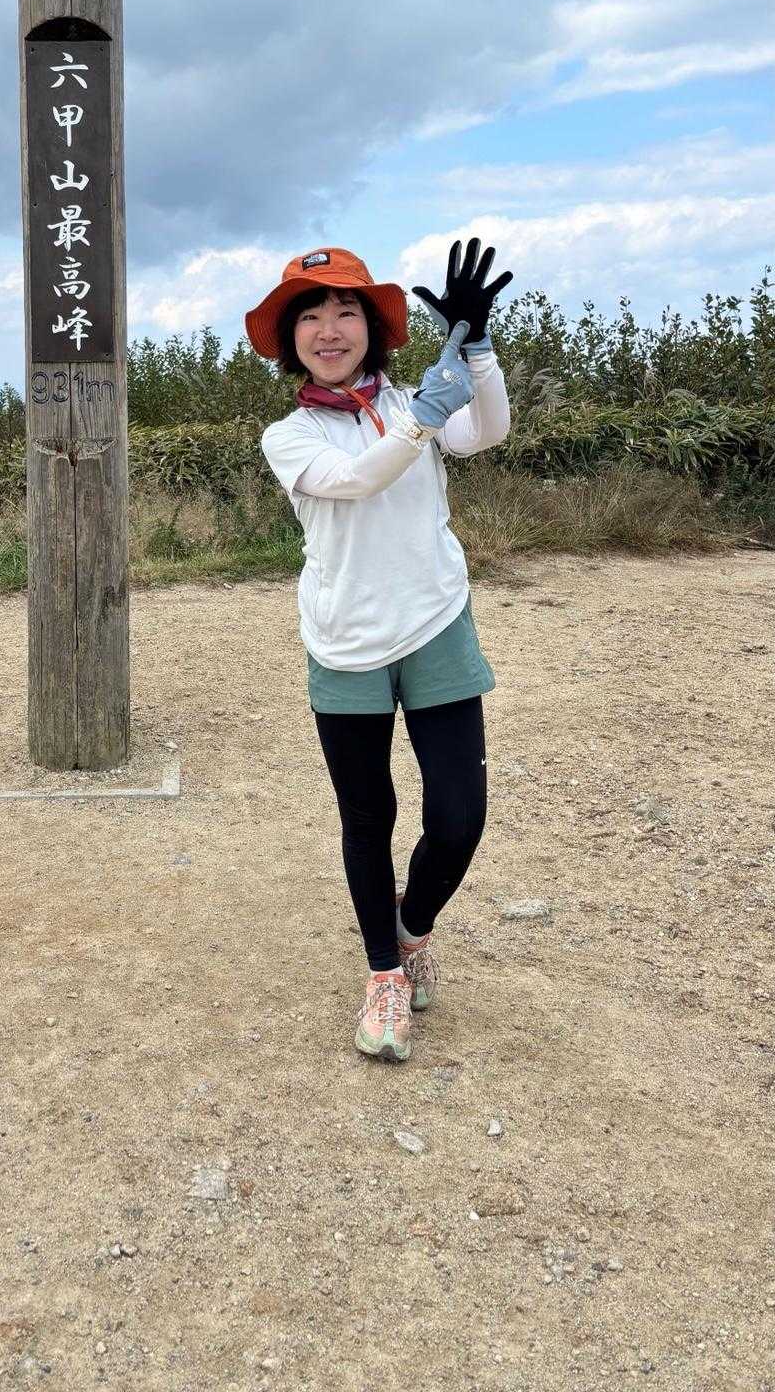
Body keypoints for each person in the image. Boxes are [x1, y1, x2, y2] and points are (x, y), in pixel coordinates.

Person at [245, 240, 513, 1064]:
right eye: (310, 316)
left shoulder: (408, 399)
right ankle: (383, 974)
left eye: (345, 310)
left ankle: (413, 926)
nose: (329, 329)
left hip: (435, 620)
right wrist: (422, 416)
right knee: (369, 818)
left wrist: (476, 350)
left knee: (459, 818)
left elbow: (488, 430)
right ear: (289, 339)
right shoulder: (289, 435)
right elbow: (357, 479)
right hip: (346, 641)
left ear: (373, 327)